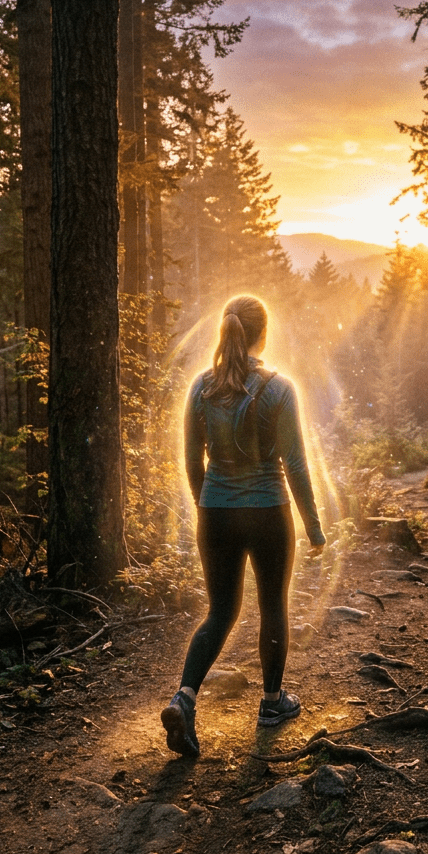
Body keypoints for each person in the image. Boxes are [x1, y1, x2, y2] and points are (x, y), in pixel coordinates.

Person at [161, 295, 327, 757]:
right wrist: (313, 528)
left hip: (216, 513)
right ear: (262, 334)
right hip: (269, 512)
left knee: (219, 612)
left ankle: (184, 699)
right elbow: (294, 463)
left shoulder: (201, 388)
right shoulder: (279, 389)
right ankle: (273, 704)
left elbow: (193, 461)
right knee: (273, 604)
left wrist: (207, 506)